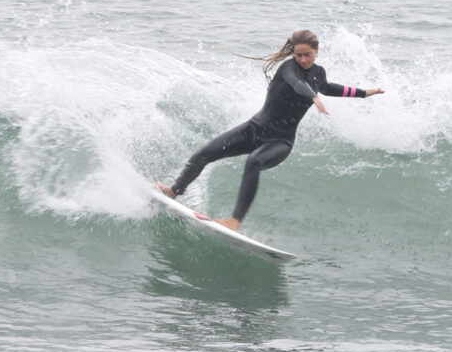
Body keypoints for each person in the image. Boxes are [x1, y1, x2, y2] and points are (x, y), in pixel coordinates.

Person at [156, 30, 384, 231]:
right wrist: (313, 97)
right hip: (253, 130)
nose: (303, 59)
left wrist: (364, 93)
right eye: (298, 55)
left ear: (317, 51)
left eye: (307, 55)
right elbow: (297, 84)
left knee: (254, 162)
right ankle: (174, 191)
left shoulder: (318, 73)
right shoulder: (288, 68)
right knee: (204, 153)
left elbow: (329, 88)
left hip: (280, 142)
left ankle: (235, 222)